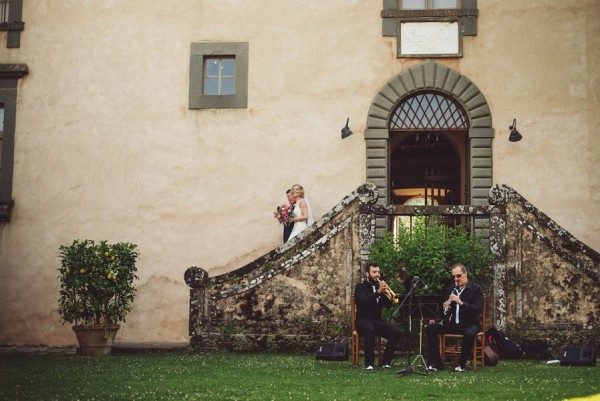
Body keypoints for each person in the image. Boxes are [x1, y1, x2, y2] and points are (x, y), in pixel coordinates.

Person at [425, 263, 483, 372]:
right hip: (454, 324)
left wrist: (461, 302)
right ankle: (436, 363)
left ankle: (461, 365)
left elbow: (477, 309)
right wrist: (445, 308)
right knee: (430, 328)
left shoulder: (476, 289)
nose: (456, 279)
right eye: (454, 276)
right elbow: (448, 311)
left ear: (465, 273)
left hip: (470, 323)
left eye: (458, 276)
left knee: (469, 334)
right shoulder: (452, 289)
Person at [354, 262, 401, 370]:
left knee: (396, 333)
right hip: (362, 320)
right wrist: (378, 292)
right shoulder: (360, 287)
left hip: (376, 320)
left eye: (378, 272)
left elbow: (388, 306)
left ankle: (385, 362)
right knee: (370, 330)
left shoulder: (380, 288)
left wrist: (387, 295)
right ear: (367, 274)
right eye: (374, 272)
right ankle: (369, 363)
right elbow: (363, 302)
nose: (377, 274)